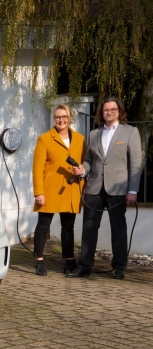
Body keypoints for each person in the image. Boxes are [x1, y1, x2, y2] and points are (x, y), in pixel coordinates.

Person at [69, 97, 142, 279]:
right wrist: (82, 170)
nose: (109, 112)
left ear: (119, 111)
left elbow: (136, 164)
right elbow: (88, 160)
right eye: (105, 110)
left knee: (118, 229)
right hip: (94, 187)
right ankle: (84, 267)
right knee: (89, 228)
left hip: (118, 188)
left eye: (113, 109)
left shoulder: (130, 132)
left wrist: (132, 190)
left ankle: (119, 267)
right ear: (101, 113)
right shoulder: (94, 134)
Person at [32, 104, 85, 276]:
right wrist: (39, 192)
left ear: (70, 118)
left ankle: (69, 260)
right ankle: (38, 260)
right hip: (49, 189)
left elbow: (84, 163)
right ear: (54, 119)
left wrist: (81, 171)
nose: (61, 120)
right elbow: (37, 168)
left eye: (64, 117)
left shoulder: (80, 139)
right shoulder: (45, 139)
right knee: (43, 225)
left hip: (71, 189)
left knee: (68, 227)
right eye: (57, 117)